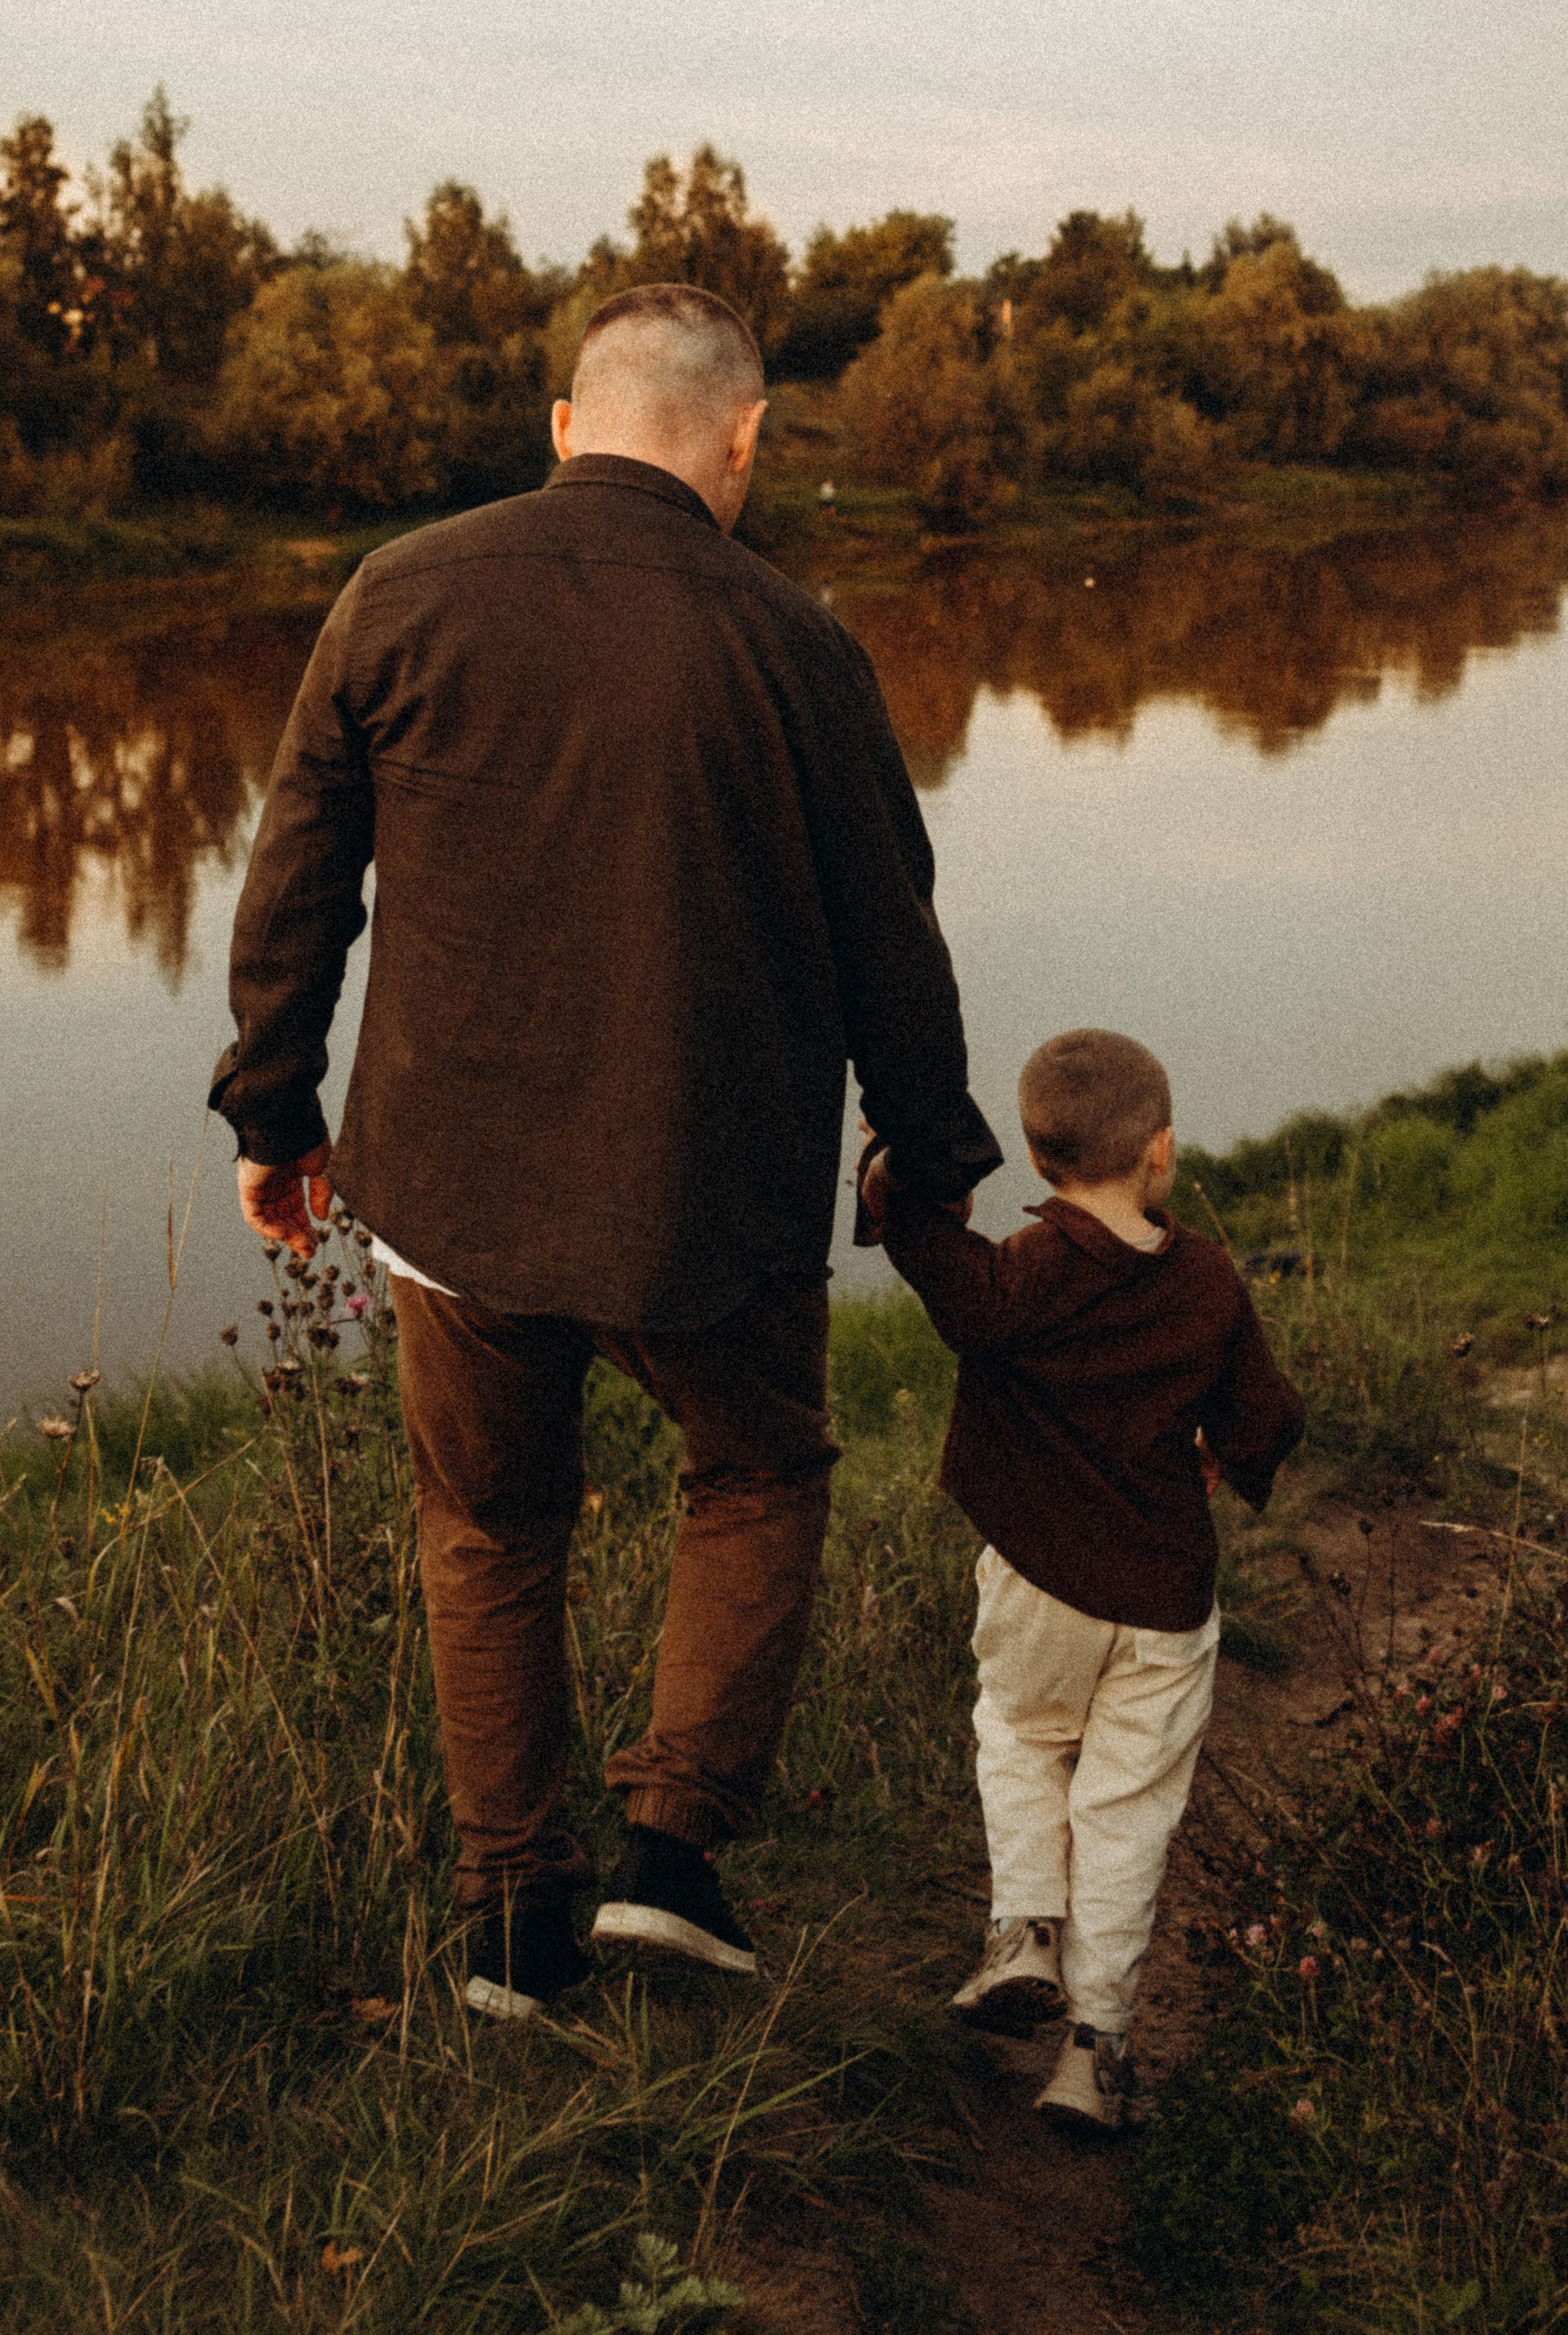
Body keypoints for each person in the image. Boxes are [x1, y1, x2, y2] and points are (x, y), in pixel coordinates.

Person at [211, 282, 1001, 2020]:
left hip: (449, 1194)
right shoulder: (794, 640)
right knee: (756, 1470)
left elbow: (292, 886)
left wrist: (276, 1115)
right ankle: (670, 1855)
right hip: (704, 1193)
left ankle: (510, 1922)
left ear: (566, 428)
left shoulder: (398, 592)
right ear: (741, 444)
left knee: (489, 1524)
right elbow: (893, 933)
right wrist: (928, 1153)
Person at [858, 1026, 1302, 2132]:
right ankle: (1094, 2054)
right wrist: (1228, 1458)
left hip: (1038, 1584)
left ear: (1039, 1160)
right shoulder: (1204, 1279)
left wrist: (891, 1182)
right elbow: (1266, 1416)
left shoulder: (1021, 1278)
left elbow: (934, 1261)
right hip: (1163, 1605)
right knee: (1127, 1815)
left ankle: (1025, 1930)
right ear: (1160, 1153)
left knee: (1016, 1736)